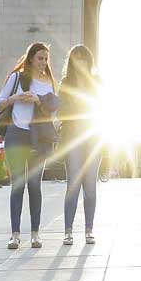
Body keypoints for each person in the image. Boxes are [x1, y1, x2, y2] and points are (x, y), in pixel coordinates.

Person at [0, 42, 57, 250]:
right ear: (31, 58)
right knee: (18, 184)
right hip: (16, 133)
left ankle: (35, 233)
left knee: (35, 185)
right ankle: (14, 234)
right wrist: (15, 98)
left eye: (46, 59)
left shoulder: (48, 81)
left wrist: (38, 100)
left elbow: (53, 112)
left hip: (38, 137)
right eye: (40, 58)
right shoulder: (16, 78)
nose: (43, 62)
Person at [57, 44, 102, 246]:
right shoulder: (66, 83)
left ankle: (89, 230)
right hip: (73, 140)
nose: (81, 62)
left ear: (89, 61)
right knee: (72, 187)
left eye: (84, 58)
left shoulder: (97, 82)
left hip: (92, 141)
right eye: (77, 58)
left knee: (90, 188)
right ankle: (68, 231)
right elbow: (61, 111)